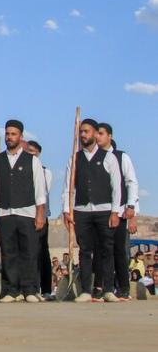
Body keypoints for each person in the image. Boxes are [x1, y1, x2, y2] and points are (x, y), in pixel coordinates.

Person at [61, 118, 123, 303]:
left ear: (96, 134)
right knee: (85, 251)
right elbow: (67, 187)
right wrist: (66, 210)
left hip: (104, 210)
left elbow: (116, 187)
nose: (83, 135)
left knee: (106, 249)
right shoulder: (75, 158)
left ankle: (108, 290)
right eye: (81, 131)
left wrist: (115, 212)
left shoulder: (108, 157)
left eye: (86, 131)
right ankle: (86, 290)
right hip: (81, 211)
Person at [0, 120, 47, 303]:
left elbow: (40, 189)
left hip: (27, 213)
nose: (9, 137)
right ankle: (11, 290)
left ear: (21, 137)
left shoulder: (32, 161)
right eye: (7, 134)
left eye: (13, 134)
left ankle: (29, 289)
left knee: (29, 252)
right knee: (8, 253)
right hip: (4, 212)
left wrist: (40, 214)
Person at [96, 123, 139, 301]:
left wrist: (132, 209)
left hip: (119, 212)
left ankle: (123, 288)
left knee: (119, 251)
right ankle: (103, 287)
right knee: (100, 251)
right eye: (96, 133)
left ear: (109, 136)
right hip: (99, 213)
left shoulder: (121, 157)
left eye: (101, 133)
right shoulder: (93, 158)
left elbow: (131, 182)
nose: (97, 137)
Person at [26, 141, 54, 299]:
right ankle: (30, 287)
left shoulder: (45, 172)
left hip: (40, 216)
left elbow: (42, 192)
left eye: (33, 152)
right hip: (25, 215)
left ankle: (46, 289)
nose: (30, 154)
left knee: (42, 252)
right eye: (28, 151)